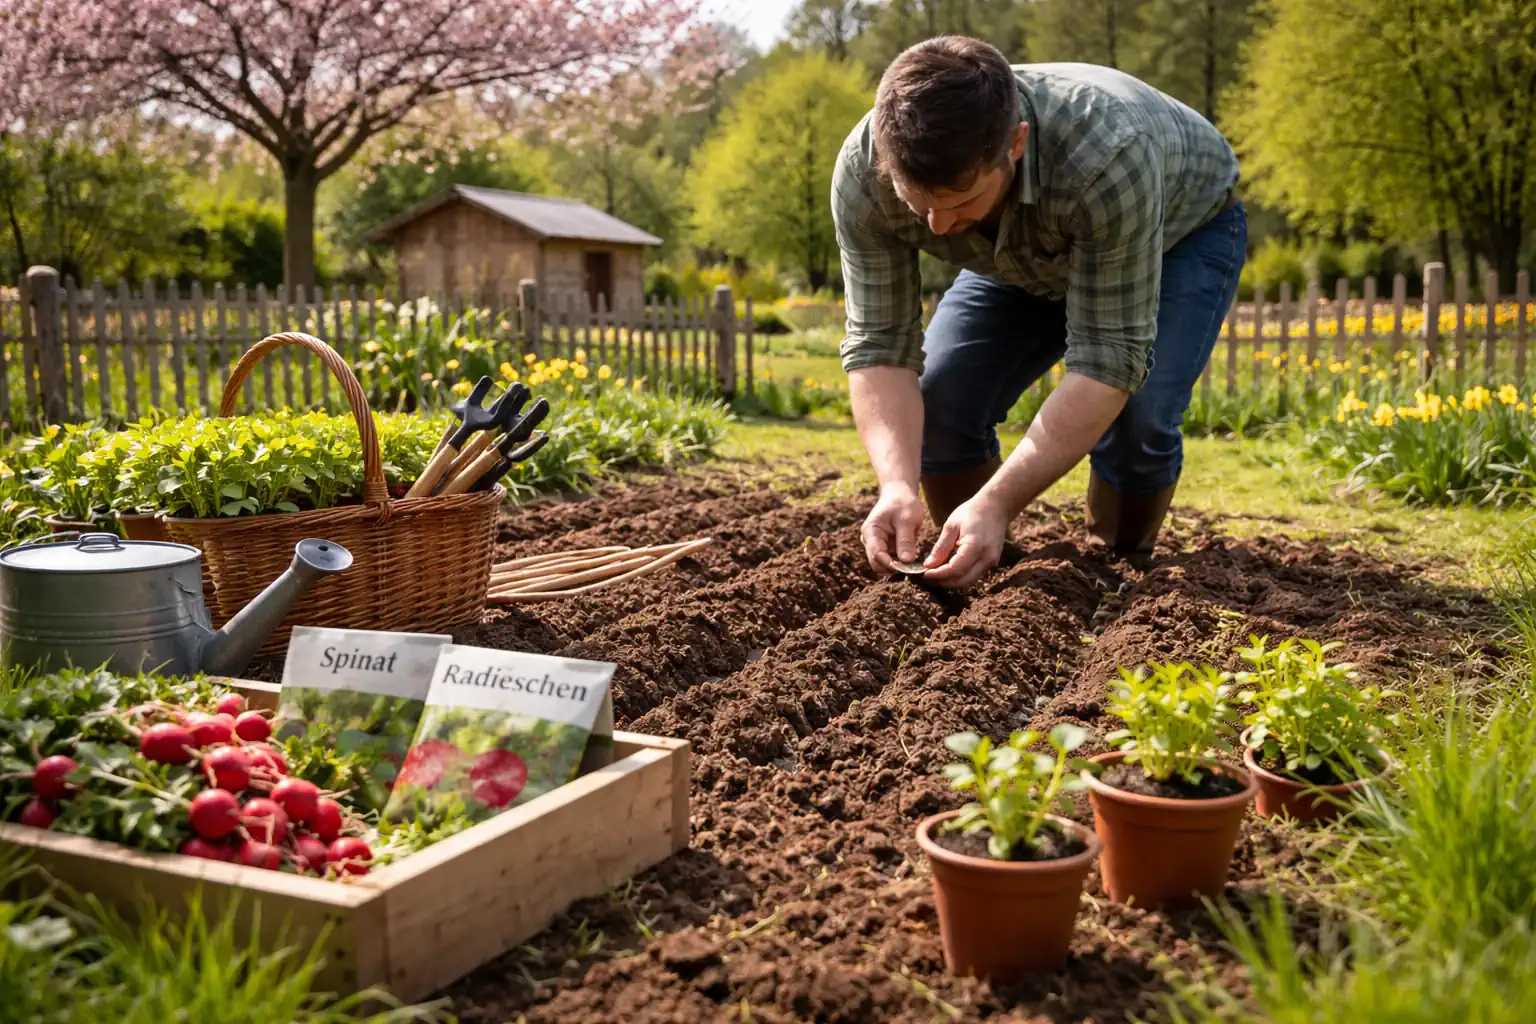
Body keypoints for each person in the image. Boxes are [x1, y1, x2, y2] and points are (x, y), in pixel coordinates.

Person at [832, 36, 1247, 588]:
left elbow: (1108, 360)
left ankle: (1115, 570)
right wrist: (896, 486)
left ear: (1016, 145)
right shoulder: (864, 172)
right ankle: (978, 566)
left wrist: (1001, 500)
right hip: (1014, 261)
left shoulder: (1106, 153)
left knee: (1137, 415)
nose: (935, 226)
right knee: (945, 398)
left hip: (1178, 236)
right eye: (918, 202)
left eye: (958, 202)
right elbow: (879, 345)